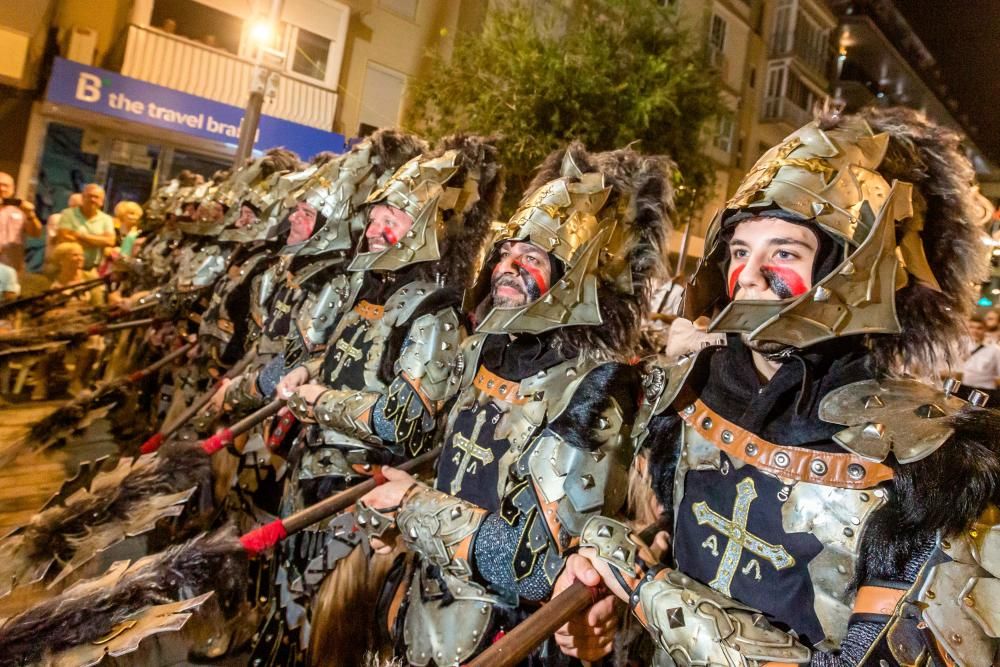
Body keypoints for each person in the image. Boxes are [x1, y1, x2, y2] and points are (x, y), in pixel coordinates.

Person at [559, 108, 1000, 665]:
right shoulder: (691, 396)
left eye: (784, 253)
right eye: (740, 252)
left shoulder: (933, 462)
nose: (748, 274)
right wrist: (603, 595)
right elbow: (677, 541)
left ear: (851, 272)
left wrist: (645, 590)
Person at [353, 143, 673, 665]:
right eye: (505, 252)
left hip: (514, 633)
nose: (507, 266)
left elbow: (534, 560)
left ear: (572, 277)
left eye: (531, 257)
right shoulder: (486, 349)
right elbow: (441, 462)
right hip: (428, 596)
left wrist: (411, 505)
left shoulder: (594, 388)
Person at [254, 135, 503, 665]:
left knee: (332, 637)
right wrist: (308, 369)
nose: (375, 227)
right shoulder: (370, 292)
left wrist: (317, 400)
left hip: (362, 502)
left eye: (393, 216)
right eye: (376, 215)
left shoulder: (433, 314)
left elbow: (401, 421)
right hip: (312, 477)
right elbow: (350, 366)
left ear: (427, 231)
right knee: (290, 611)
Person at [54, 184, 115, 271]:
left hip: (93, 269)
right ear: (82, 198)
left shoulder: (107, 219)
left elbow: (110, 241)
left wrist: (82, 236)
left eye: (96, 197)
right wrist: (98, 242)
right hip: (67, 268)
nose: (92, 199)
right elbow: (64, 238)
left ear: (102, 202)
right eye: (89, 196)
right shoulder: (68, 214)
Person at [946, 314, 1000, 404]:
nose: (975, 331)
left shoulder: (995, 350)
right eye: (971, 327)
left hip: (983, 392)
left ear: (985, 330)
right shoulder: (960, 345)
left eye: (979, 328)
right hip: (961, 388)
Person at [0, 171, 43, 273]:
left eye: (6, 186)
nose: (2, 189)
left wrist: (31, 215)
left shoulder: (21, 210)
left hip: (11, 263)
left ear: (13, 188)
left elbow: (36, 233)